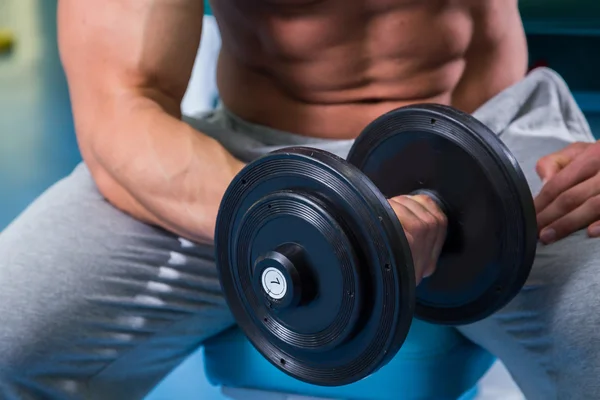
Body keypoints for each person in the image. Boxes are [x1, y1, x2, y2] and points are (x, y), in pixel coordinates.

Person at [1, 0, 599, 399]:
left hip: (489, 148)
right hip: (249, 162)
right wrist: (320, 223)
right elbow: (119, 104)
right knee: (12, 335)